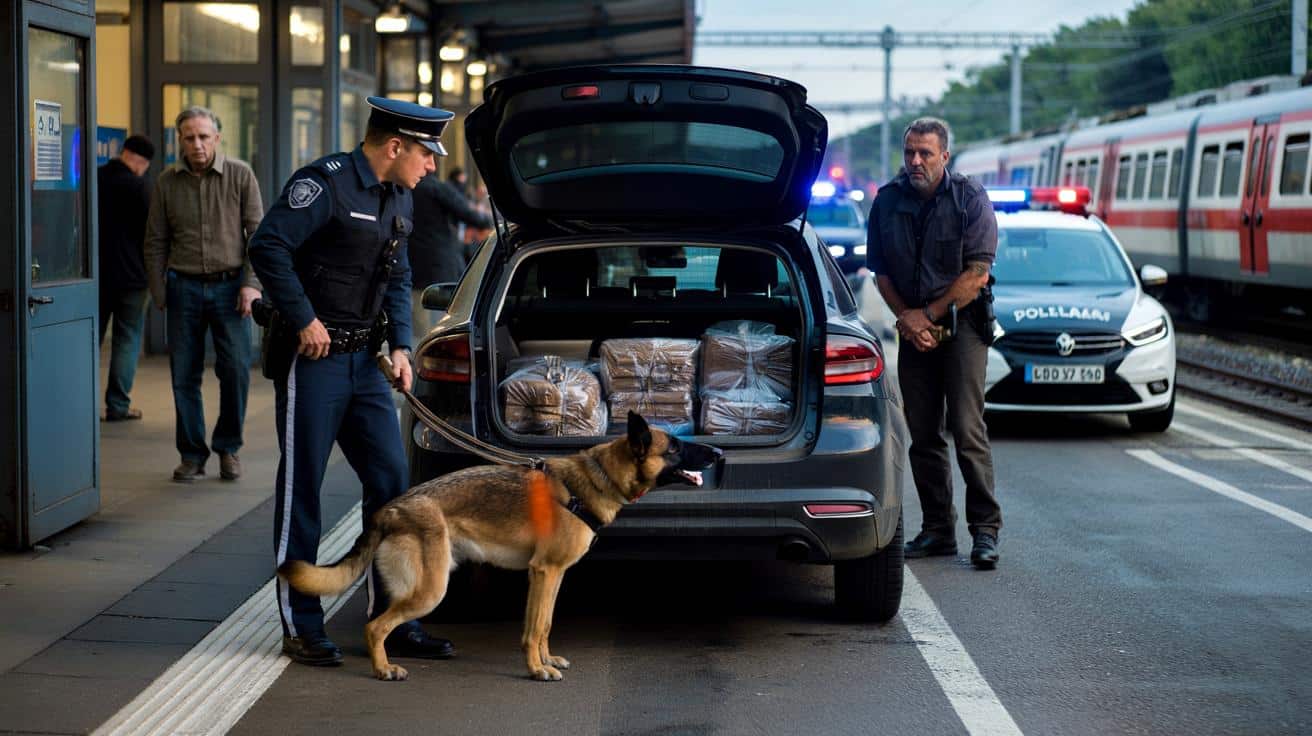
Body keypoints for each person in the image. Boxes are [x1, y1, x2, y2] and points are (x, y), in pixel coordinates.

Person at [248, 96, 456, 667]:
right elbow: (268, 246)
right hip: (312, 361)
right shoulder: (325, 185)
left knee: (393, 485)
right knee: (304, 492)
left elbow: (399, 274)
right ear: (395, 147)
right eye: (426, 153)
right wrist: (302, 317)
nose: (432, 165)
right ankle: (301, 625)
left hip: (366, 364)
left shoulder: (399, 196)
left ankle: (394, 618)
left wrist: (402, 344)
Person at [865, 117, 1002, 570]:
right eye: (909, 153)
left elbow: (977, 273)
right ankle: (938, 530)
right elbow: (880, 271)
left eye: (925, 153)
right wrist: (907, 317)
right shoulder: (887, 202)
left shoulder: (969, 198)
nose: (915, 162)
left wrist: (929, 314)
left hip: (961, 324)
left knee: (966, 429)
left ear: (945, 155)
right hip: (914, 324)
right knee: (922, 433)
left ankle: (984, 531)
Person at [145, 106, 263, 483]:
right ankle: (192, 454)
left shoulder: (241, 174)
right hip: (184, 287)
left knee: (235, 372)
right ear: (179, 140)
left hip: (231, 288)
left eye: (204, 136)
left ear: (217, 138)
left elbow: (258, 237)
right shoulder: (167, 181)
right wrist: (160, 290)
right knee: (184, 374)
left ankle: (228, 447)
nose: (197, 144)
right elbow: (155, 241)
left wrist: (250, 284)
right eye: (189, 137)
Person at [98, 134, 155, 422]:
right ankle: (118, 406)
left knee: (91, 341)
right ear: (142, 162)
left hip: (96, 277)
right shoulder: (140, 187)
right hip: (133, 278)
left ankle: (79, 402)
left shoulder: (95, 179)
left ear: (123, 151)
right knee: (127, 340)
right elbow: (152, 235)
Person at [408, 169, 493, 335]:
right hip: (441, 266)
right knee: (443, 325)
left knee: (421, 325)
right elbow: (468, 213)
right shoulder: (435, 188)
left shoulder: (406, 189)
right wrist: (487, 220)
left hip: (416, 266)